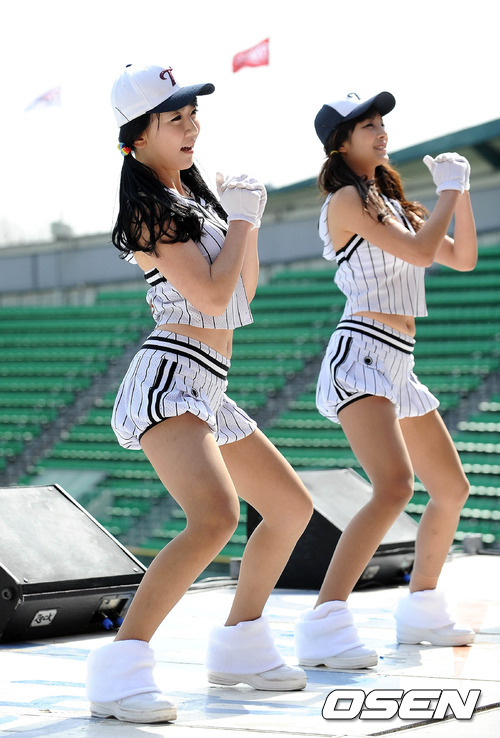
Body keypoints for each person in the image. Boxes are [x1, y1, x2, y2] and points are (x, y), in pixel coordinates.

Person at [85, 62, 313, 724]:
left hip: (209, 383)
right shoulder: (148, 209)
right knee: (214, 517)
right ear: (138, 136)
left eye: (193, 115)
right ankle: (119, 670)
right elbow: (211, 296)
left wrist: (247, 224)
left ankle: (241, 645)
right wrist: (239, 222)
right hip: (171, 376)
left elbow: (243, 295)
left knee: (290, 509)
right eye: (175, 118)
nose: (192, 128)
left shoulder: (192, 202)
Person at [294, 92, 477, 670]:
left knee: (451, 489)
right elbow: (423, 254)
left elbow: (462, 258)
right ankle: (324, 624)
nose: (381, 131)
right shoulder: (346, 199)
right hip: (362, 352)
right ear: (340, 143)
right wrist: (447, 192)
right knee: (395, 486)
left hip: (399, 360)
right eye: (367, 125)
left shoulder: (391, 202)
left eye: (381, 122)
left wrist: (461, 193)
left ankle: (422, 609)